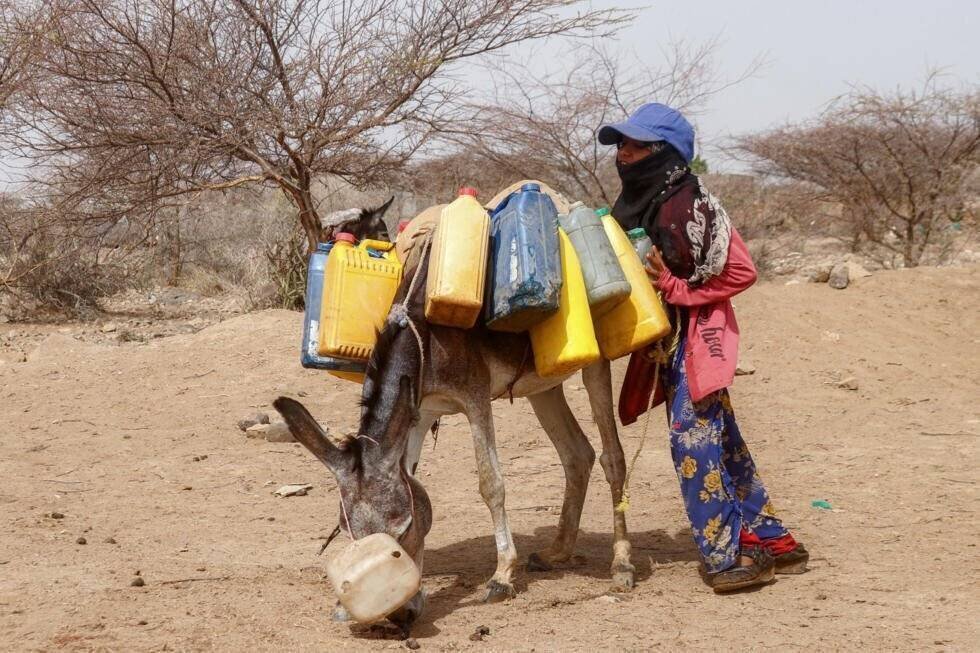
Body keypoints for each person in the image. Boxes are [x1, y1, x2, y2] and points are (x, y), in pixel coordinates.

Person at [597, 103, 809, 592]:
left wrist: (677, 289)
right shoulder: (641, 205)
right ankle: (774, 541)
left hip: (696, 340)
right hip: (667, 342)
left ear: (665, 154)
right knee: (723, 441)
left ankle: (728, 556)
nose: (624, 154)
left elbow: (742, 271)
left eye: (637, 146)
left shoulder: (692, 204)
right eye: (622, 144)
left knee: (692, 444)